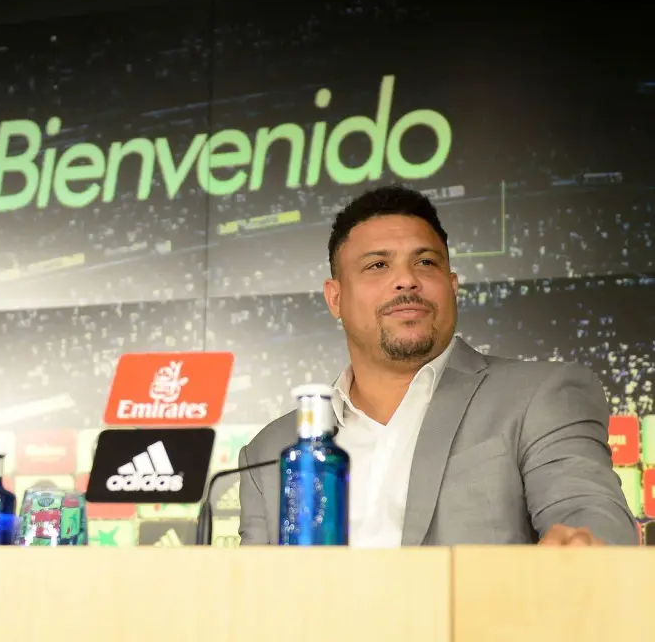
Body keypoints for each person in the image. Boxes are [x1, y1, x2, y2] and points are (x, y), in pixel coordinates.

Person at [235, 185, 638, 547]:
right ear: (335, 298)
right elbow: (251, 598)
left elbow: (588, 513)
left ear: (452, 285)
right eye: (378, 265)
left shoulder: (539, 396)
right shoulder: (271, 450)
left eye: (426, 263)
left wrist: (585, 545)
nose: (406, 280)